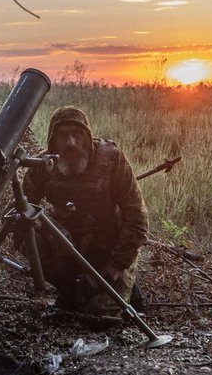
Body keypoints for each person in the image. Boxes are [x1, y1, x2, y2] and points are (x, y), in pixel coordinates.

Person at [22, 105, 149, 316]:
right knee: (27, 228)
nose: (71, 142)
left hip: (109, 250)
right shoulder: (43, 165)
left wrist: (113, 271)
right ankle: (69, 287)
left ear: (88, 137)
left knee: (100, 313)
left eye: (77, 135)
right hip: (68, 247)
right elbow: (20, 209)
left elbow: (137, 220)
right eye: (63, 136)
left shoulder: (111, 159)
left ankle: (122, 286)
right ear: (53, 141)